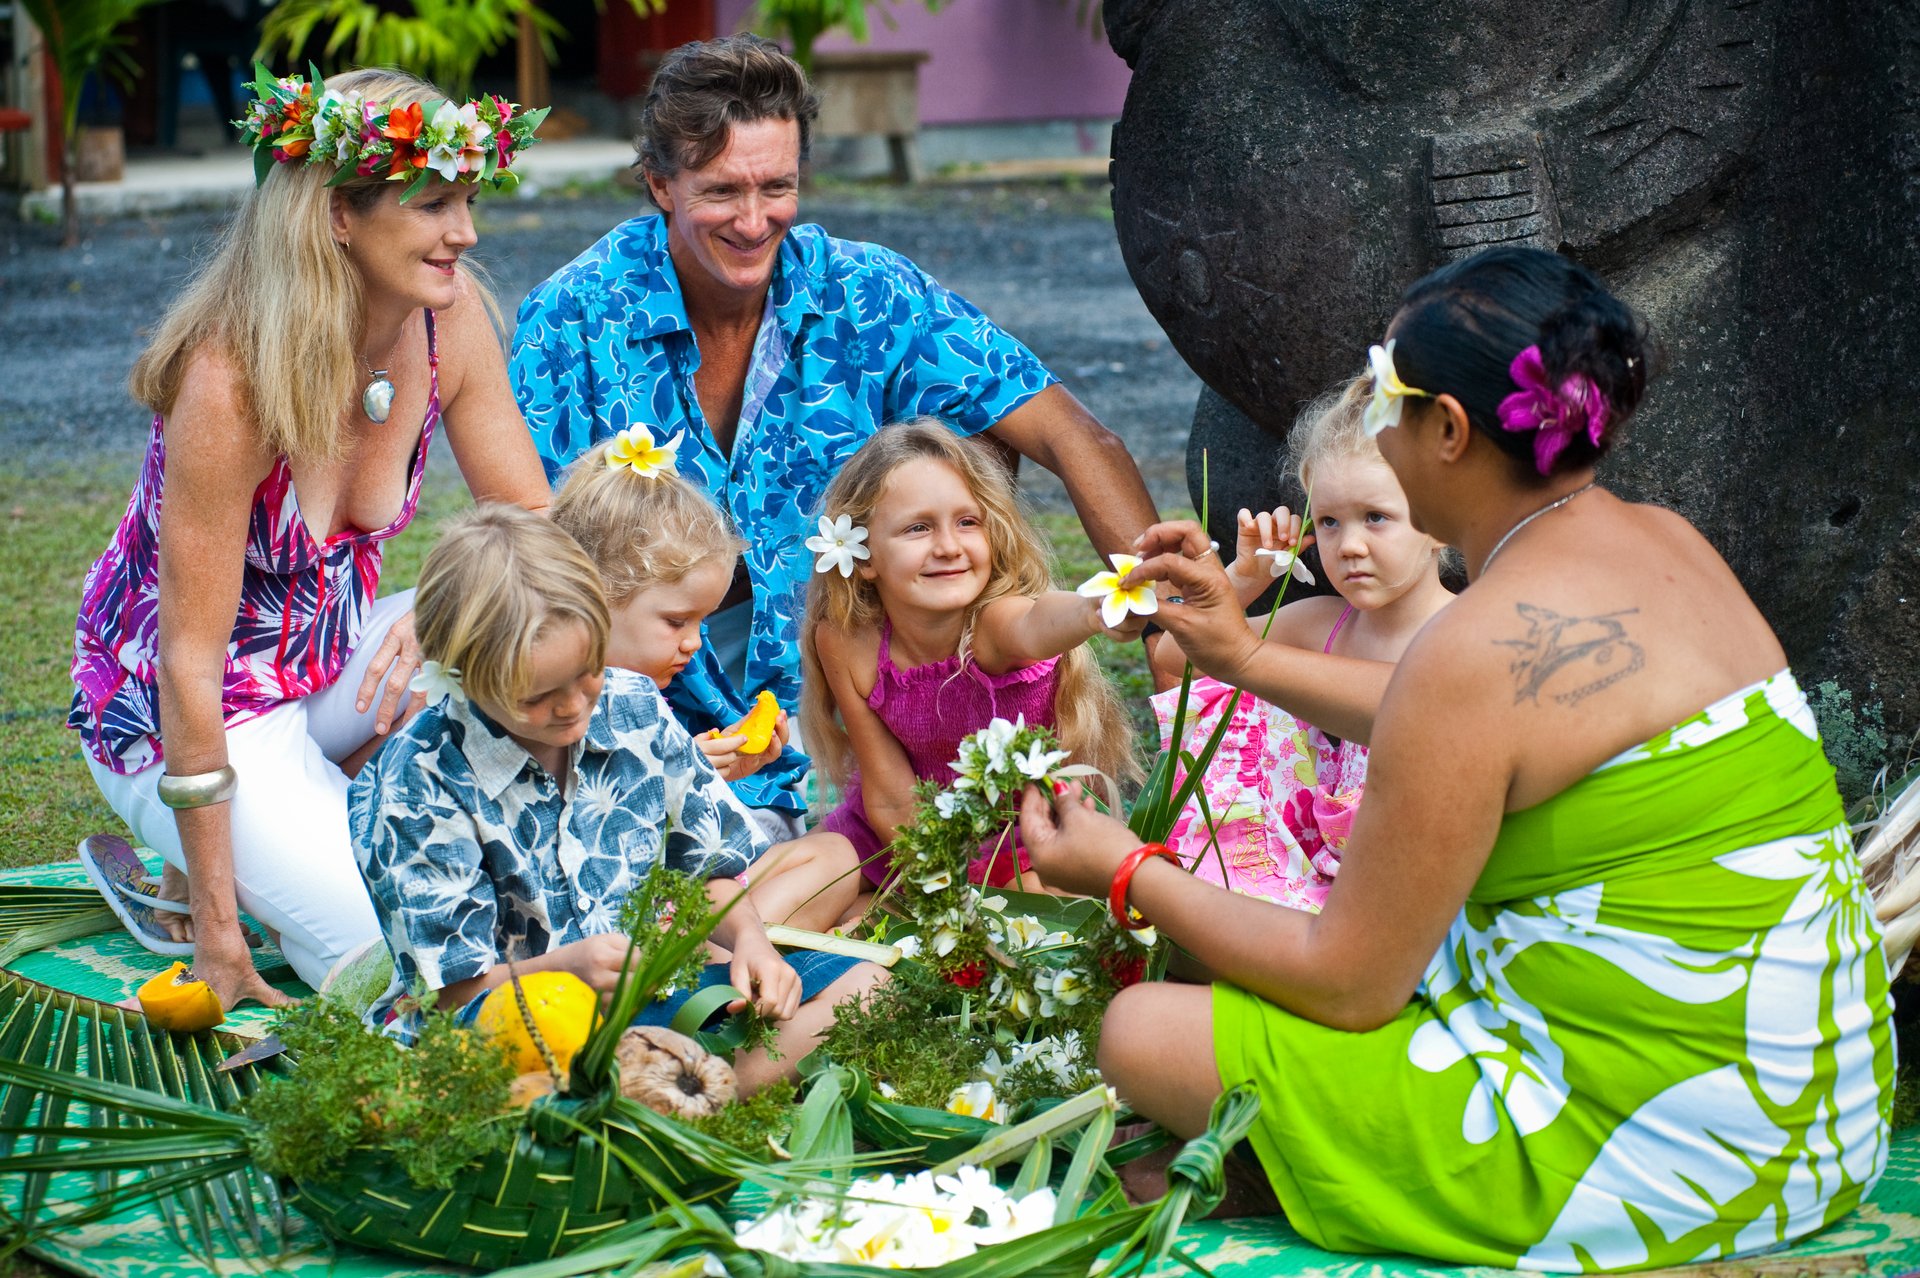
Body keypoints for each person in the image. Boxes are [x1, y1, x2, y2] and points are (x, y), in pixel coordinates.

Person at [1017, 246, 1895, 1269]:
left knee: (1141, 1033)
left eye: (1387, 397)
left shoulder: (1474, 652)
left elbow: (1349, 986)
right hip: (1819, 1132)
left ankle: (1318, 1171)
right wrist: (1245, 655)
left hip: (1645, 1164)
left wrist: (1125, 871)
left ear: (1448, 429)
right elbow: (1476, 722)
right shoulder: (1668, 542)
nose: (1376, 428)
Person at [509, 34, 1161, 831]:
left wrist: (1166, 629)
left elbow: (1076, 440)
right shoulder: (569, 319)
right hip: (639, 708)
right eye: (720, 192)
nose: (755, 222)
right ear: (658, 185)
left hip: (852, 716)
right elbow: (535, 554)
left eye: (777, 187)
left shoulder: (869, 293)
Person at [68, 68, 552, 1006]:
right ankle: (211, 882)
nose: (468, 232)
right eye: (435, 205)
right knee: (407, 956)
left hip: (331, 666)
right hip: (188, 709)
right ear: (338, 215)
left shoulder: (448, 323)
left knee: (519, 626)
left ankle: (298, 852)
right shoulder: (232, 378)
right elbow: (187, 668)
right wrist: (217, 934)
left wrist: (455, 608)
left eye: (470, 199)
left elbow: (534, 524)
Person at [349, 505, 882, 1094]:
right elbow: (451, 991)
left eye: (587, 674)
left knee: (871, 987)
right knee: (517, 1084)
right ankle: (676, 1096)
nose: (574, 706)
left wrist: (752, 944)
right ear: (463, 675)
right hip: (512, 1019)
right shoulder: (414, 782)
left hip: (651, 991)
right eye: (537, 696)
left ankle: (672, 1096)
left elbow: (704, 870)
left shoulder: (632, 705)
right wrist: (568, 968)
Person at [1147, 376, 1454, 908]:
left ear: (1442, 521)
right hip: (1322, 873)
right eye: (1329, 522)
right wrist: (1246, 577)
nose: (1349, 545)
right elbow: (1177, 658)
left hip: (1432, 884)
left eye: (1376, 518)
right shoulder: (1323, 623)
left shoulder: (1470, 630)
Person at [799, 421, 1138, 891]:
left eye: (967, 522)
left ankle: (869, 926)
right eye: (918, 528)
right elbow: (892, 796)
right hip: (907, 837)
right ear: (864, 555)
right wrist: (932, 886)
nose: (949, 547)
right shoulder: (845, 641)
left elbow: (1037, 622)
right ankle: (725, 951)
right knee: (804, 867)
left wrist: (1094, 610)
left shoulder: (992, 626)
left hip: (1019, 839)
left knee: (1032, 899)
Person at [551, 431, 862, 927]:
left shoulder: (656, 689)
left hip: (691, 897)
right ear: (594, 598)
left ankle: (725, 959)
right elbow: (589, 817)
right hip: (617, 908)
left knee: (836, 858)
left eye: (703, 623)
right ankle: (714, 963)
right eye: (676, 622)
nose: (694, 642)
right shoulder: (563, 699)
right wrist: (683, 771)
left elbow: (694, 825)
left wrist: (728, 770)